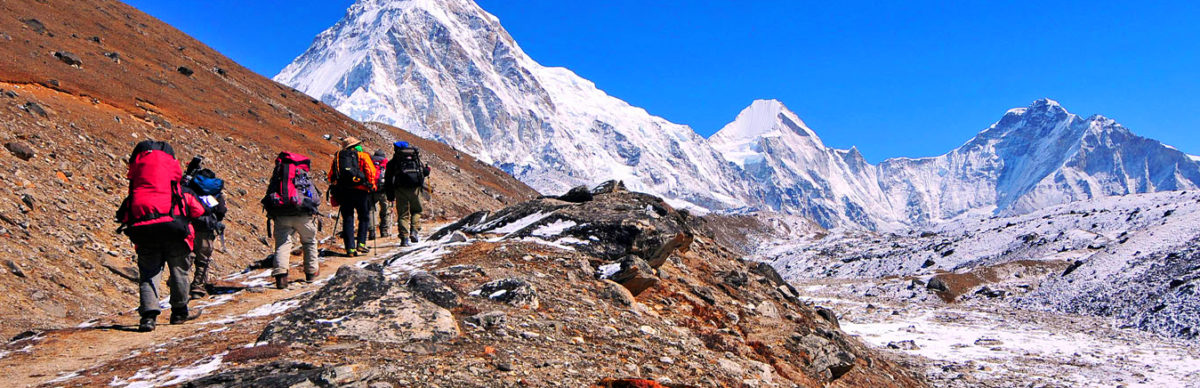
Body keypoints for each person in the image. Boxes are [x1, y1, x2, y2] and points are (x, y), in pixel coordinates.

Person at [116, 140, 207, 332]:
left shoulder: (136, 192)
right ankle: (179, 312)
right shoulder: (178, 190)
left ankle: (148, 317)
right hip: (176, 234)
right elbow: (198, 210)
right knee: (179, 272)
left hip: (145, 236)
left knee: (149, 274)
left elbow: (122, 216)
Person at [261, 152, 322, 289]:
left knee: (283, 244)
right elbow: (316, 198)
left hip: (282, 215)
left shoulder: (278, 176)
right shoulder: (302, 175)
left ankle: (281, 276)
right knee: (309, 241)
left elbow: (269, 195)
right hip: (303, 215)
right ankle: (311, 273)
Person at [182, 156, 227, 299]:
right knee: (203, 259)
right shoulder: (216, 193)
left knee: (186, 255)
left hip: (188, 225)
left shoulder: (190, 188)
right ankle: (198, 288)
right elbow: (221, 211)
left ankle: (179, 282)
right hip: (207, 228)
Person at [328, 137, 378, 256]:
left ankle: (350, 249)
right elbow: (371, 172)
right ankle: (361, 243)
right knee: (364, 217)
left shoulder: (338, 158)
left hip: (344, 192)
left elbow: (331, 176)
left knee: (348, 219)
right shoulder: (362, 156)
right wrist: (371, 185)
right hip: (361, 191)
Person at [384, 141, 430, 246]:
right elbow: (424, 172)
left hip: (400, 190)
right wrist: (427, 170)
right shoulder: (416, 159)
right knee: (417, 211)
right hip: (415, 189)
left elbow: (388, 180)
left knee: (403, 214)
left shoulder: (392, 163)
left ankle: (404, 238)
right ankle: (414, 231)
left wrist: (390, 195)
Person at [367, 150, 390, 240]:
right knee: (385, 210)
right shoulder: (386, 163)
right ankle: (384, 231)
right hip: (383, 190)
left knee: (371, 210)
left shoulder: (370, 162)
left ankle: (372, 231)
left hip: (371, 189)